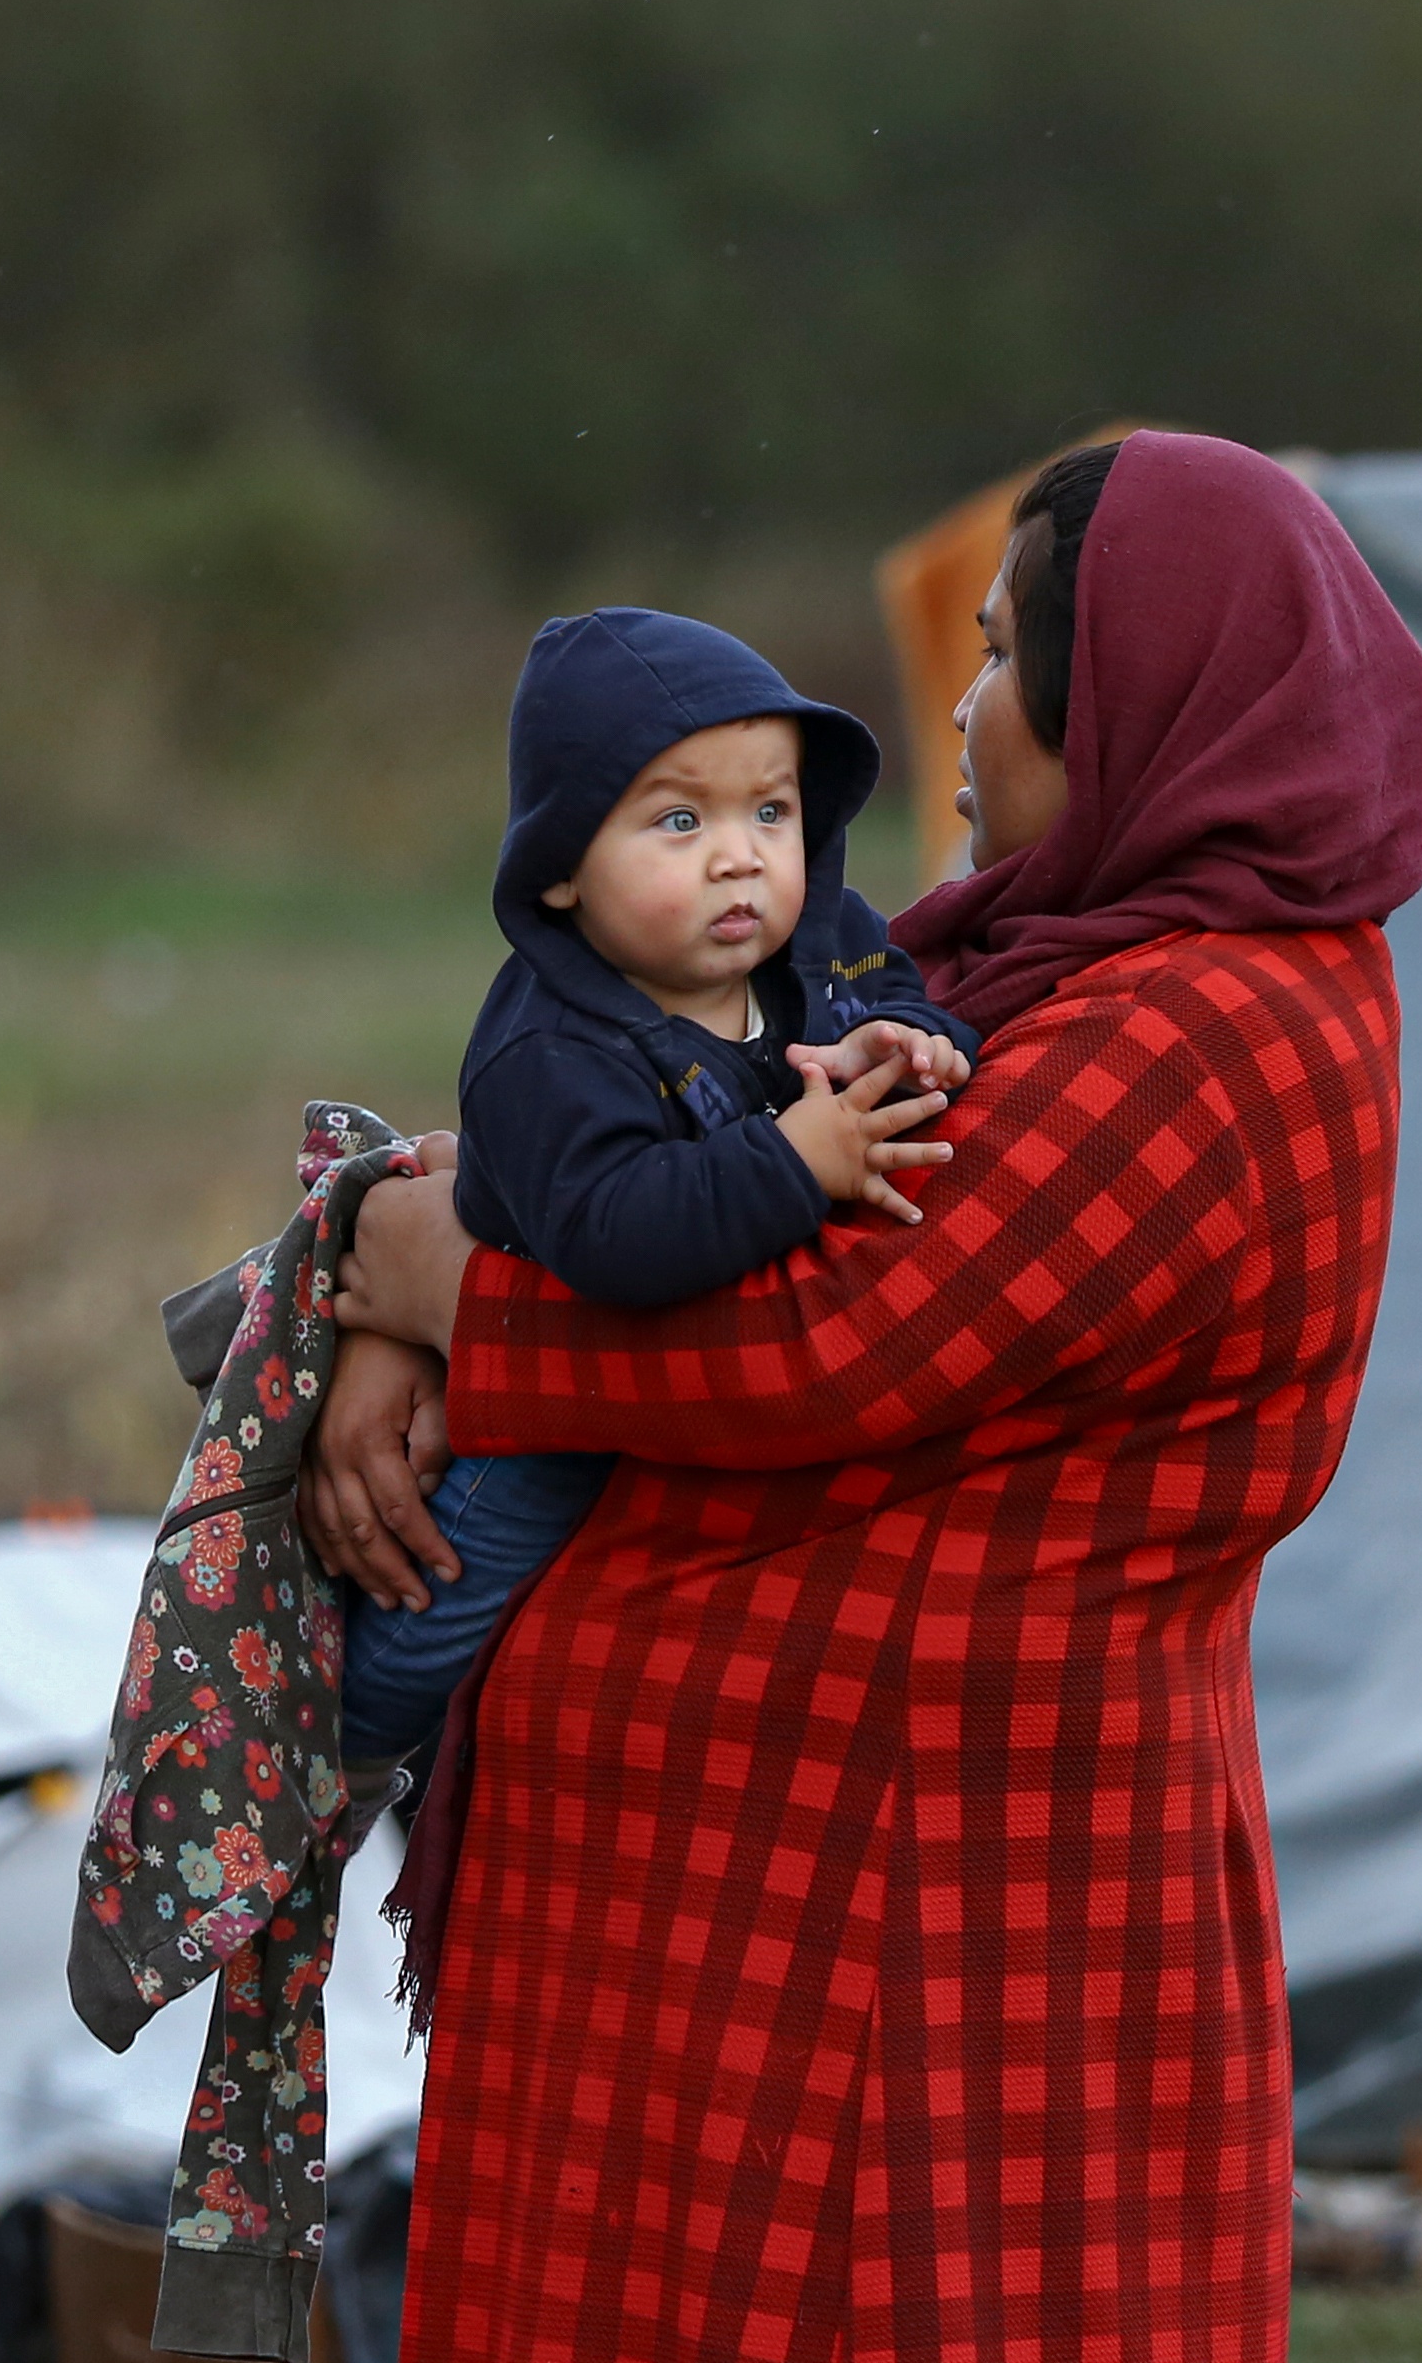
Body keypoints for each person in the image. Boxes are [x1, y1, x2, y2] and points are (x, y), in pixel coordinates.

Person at [304, 433, 1422, 2363]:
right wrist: (414, 1275)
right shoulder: (1056, 986)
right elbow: (707, 1159)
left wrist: (420, 1267)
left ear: (1149, 702)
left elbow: (818, 1329)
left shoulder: (1210, 1035)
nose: (944, 717)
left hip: (946, 1930)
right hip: (859, 1919)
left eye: (1000, 664)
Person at [333, 606, 971, 1769]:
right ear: (563, 870)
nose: (739, 856)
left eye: (768, 811)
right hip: (536, 1408)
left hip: (690, 1416)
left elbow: (904, 984)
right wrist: (796, 1158)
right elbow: (615, 1237)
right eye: (679, 820)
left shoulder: (818, 941)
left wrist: (905, 1037)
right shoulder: (549, 1052)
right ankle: (336, 1764)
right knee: (441, 1609)